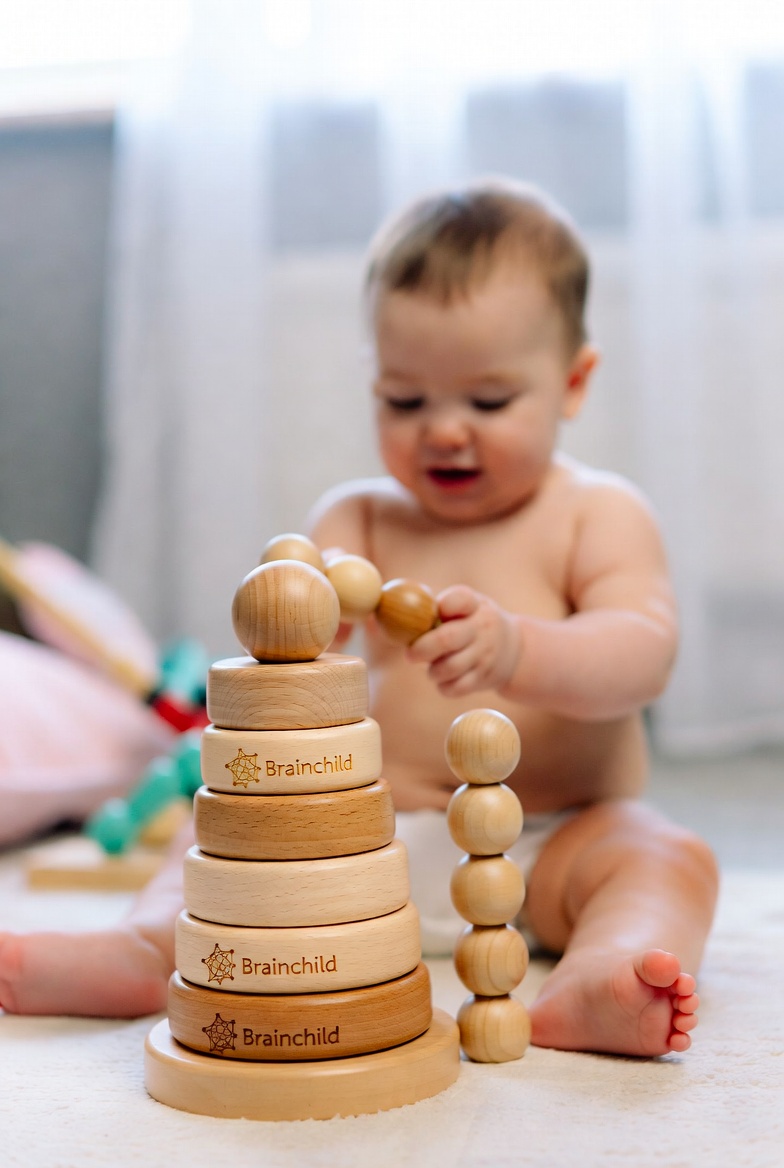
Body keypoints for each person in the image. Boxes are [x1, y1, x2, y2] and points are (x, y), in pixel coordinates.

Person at [0, 178, 718, 1057]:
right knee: (219, 827)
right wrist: (302, 629)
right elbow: (300, 654)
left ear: (573, 383)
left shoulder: (597, 515)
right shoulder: (359, 520)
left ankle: (600, 976)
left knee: (664, 855)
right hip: (363, 851)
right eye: (404, 401)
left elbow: (643, 654)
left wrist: (519, 649)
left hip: (553, 843)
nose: (443, 431)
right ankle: (153, 951)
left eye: (489, 402)